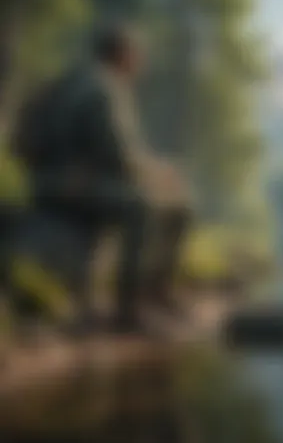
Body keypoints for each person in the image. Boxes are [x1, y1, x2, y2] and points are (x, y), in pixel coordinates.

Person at [12, 21, 191, 334]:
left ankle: (145, 295)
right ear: (122, 54)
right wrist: (159, 173)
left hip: (52, 181)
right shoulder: (104, 87)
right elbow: (117, 153)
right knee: (141, 207)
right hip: (66, 186)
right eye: (137, 54)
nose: (141, 63)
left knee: (154, 202)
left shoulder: (76, 79)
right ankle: (130, 310)